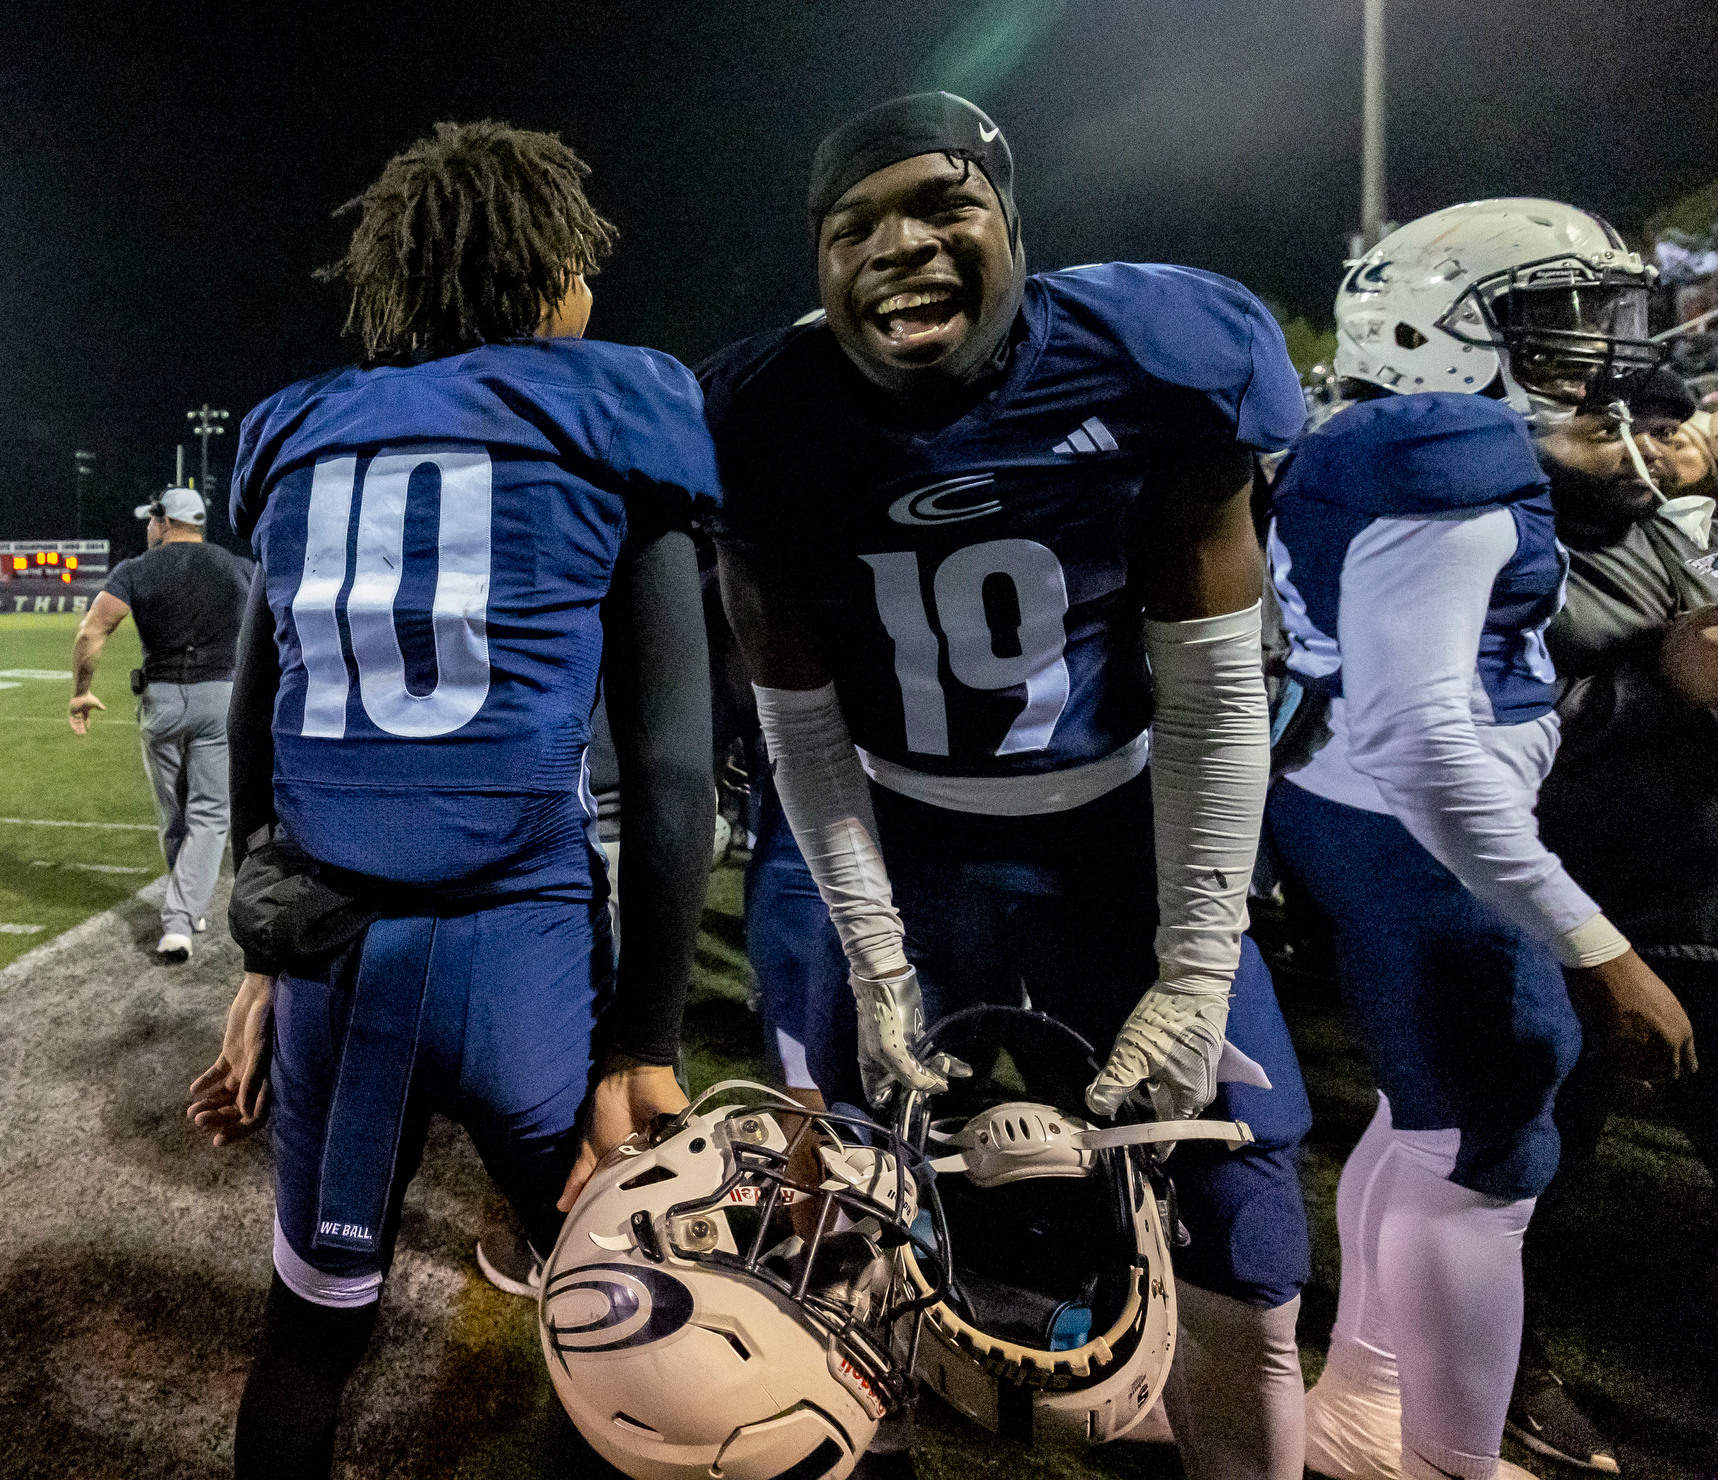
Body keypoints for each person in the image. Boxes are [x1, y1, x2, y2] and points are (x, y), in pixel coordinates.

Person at [706, 93, 1314, 1480]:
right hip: (891, 833)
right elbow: (797, 730)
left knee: (1247, 1226)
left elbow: (1215, 695)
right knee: (842, 1213)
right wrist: (871, 953)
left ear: (1011, 221)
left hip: (1115, 834)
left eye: (939, 206)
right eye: (850, 226)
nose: (896, 247)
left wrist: (1198, 963)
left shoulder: (1149, 359)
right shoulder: (759, 419)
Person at [184, 121, 718, 1480]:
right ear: (549, 273)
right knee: (623, 1323)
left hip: (332, 951)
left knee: (308, 1338)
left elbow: (259, 722)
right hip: (521, 953)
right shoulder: (613, 404)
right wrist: (642, 1040)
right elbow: (666, 771)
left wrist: (263, 961)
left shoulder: (295, 431)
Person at [1267, 199, 1695, 1480]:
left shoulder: (1401, 441)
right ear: (1429, 330)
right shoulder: (1441, 458)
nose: (1593, 352)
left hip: (1361, 814)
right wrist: (1594, 941)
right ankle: (1452, 1459)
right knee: (1493, 1145)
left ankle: (1363, 1407)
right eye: (1549, 322)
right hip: (1420, 837)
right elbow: (1419, 736)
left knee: (1430, 1125)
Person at [1512, 365, 1715, 1471]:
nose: (1640, 439)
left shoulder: (1662, 526)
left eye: (1657, 420)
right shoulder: (1490, 522)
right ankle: (1502, 1366)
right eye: (1610, 418)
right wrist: (1658, 676)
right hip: (1562, 895)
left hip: (1682, 888)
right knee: (1520, 1159)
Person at [69, 486, 253, 961]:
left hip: (161, 701)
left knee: (174, 813)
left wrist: (81, 691)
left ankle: (178, 920)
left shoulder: (137, 569)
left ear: (164, 521)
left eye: (150, 521)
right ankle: (187, 906)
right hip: (221, 699)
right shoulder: (237, 567)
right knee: (210, 813)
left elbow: (91, 631)